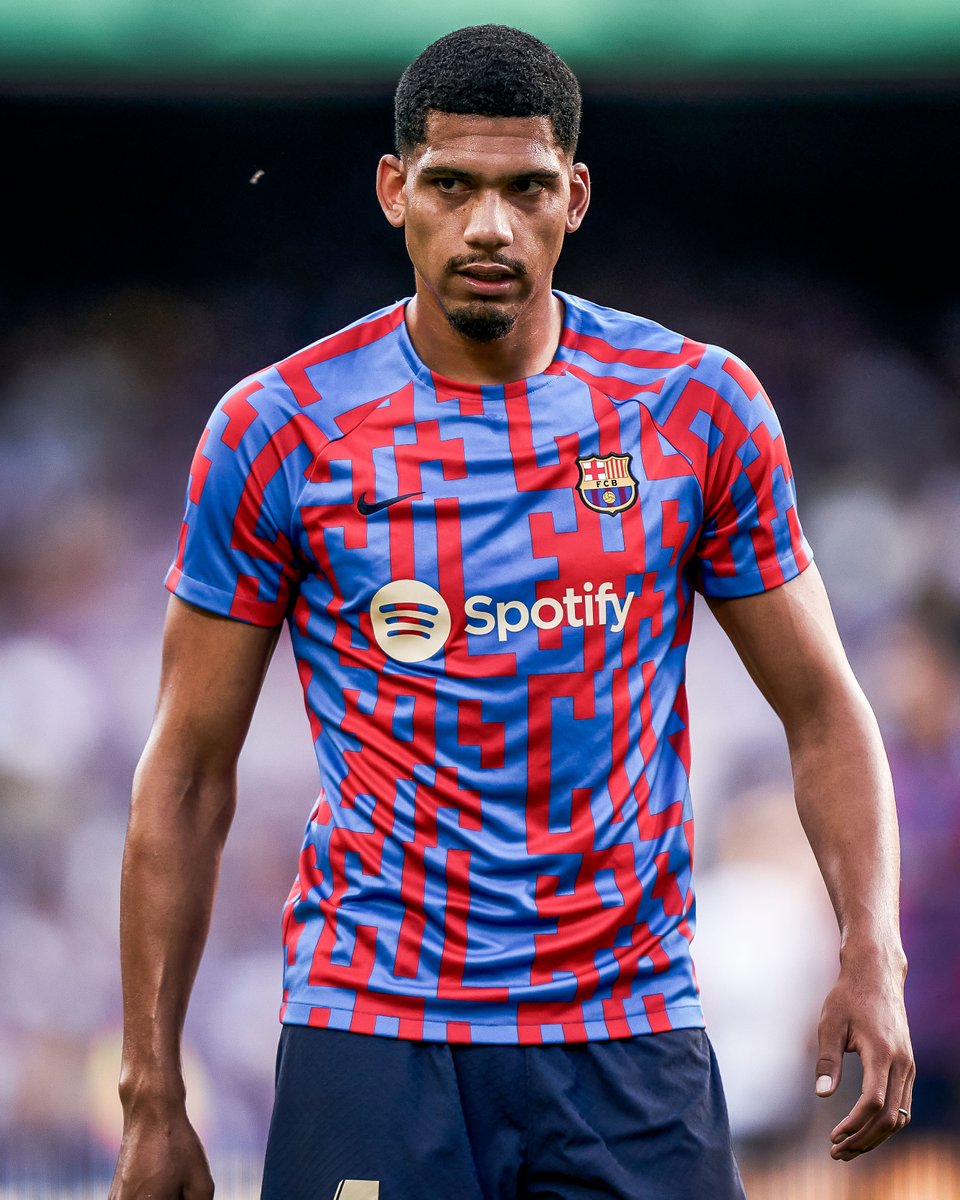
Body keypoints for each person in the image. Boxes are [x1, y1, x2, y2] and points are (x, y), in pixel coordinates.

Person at [109, 24, 914, 1200]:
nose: (488, 225)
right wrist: (151, 1093)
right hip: (375, 1028)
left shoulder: (698, 408)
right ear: (395, 191)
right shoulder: (278, 428)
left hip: (628, 1031)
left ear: (573, 197)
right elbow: (185, 772)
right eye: (452, 186)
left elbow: (825, 710)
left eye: (526, 188)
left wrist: (872, 950)